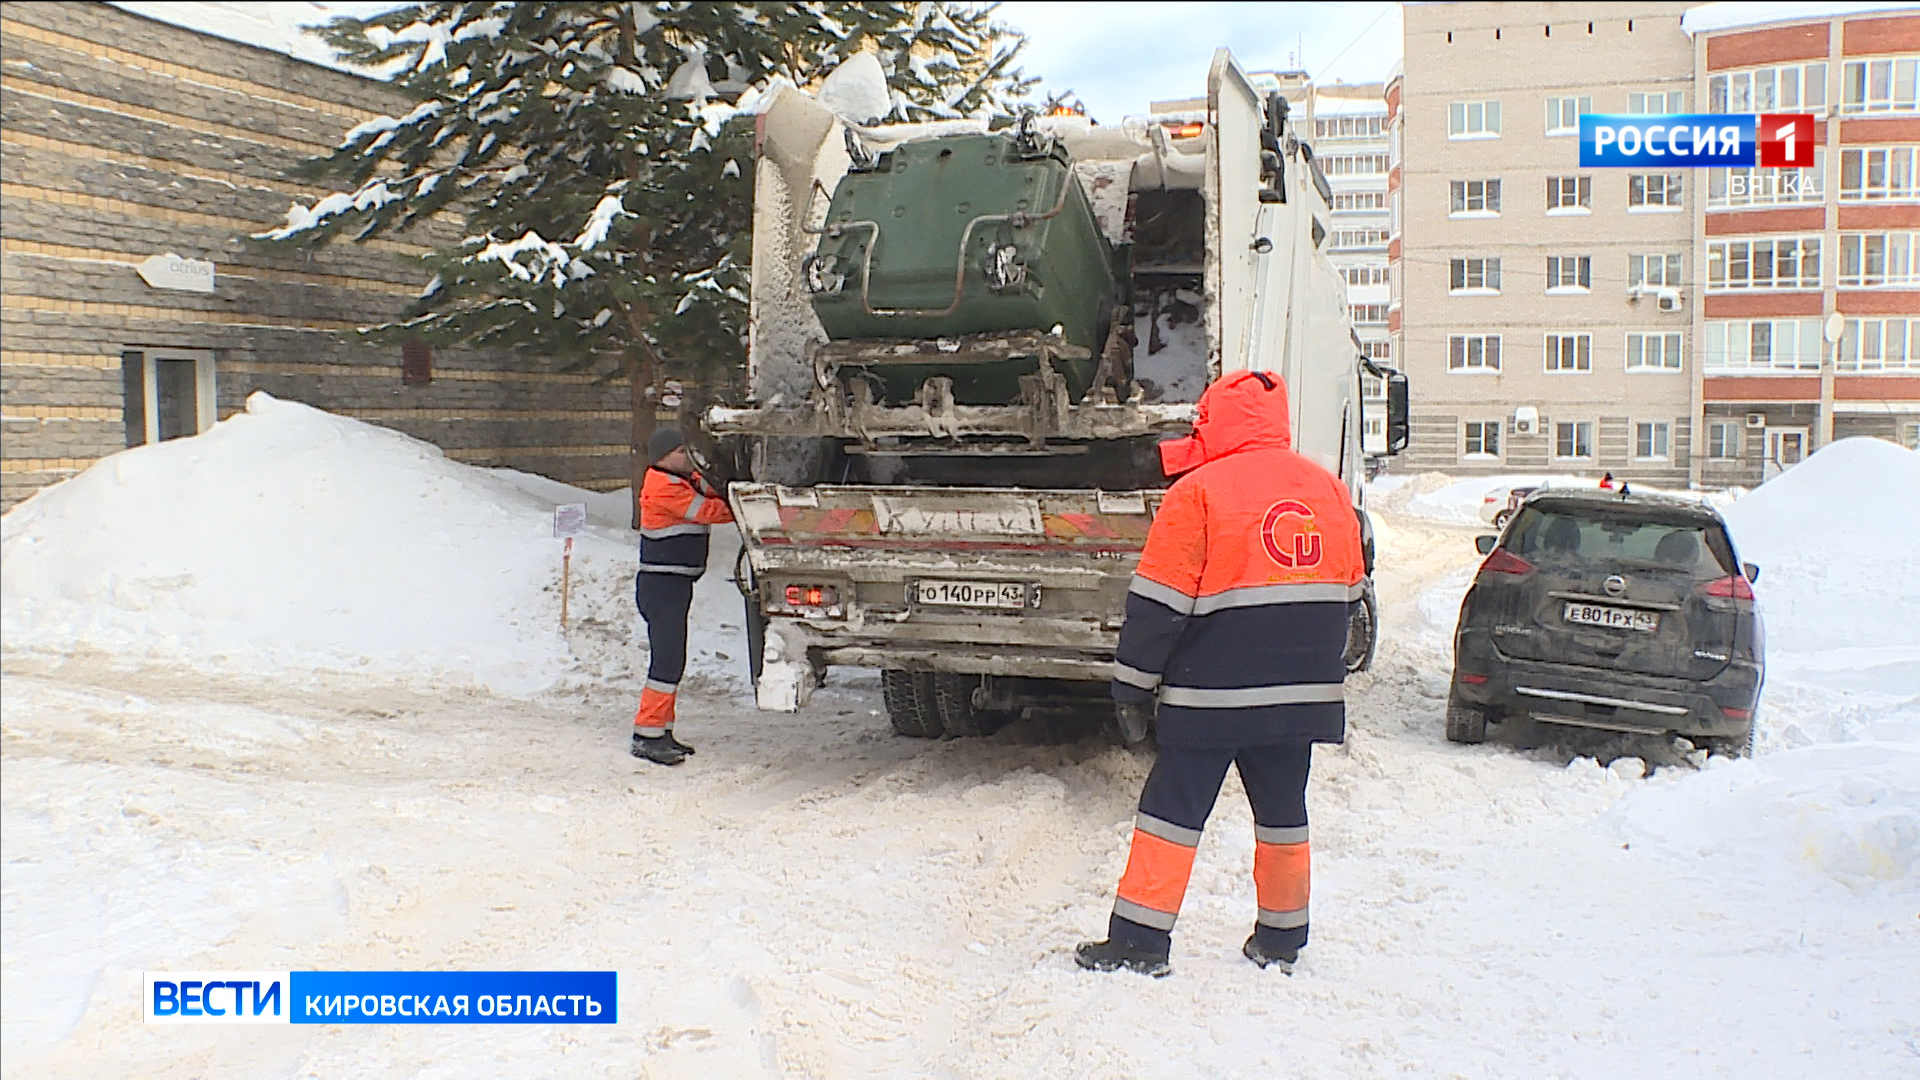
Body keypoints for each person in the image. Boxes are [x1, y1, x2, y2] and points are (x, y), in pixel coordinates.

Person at [1076, 370, 1366, 977]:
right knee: (1284, 815)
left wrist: (1132, 686)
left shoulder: (1199, 493)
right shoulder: (1330, 490)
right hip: (1300, 697)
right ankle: (1282, 940)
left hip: (1212, 695)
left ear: (1214, 421)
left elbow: (1158, 606)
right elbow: (1350, 592)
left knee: (1171, 814)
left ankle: (1139, 942)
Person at [631, 426, 734, 766]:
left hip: (673, 584)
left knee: (672, 658)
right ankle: (647, 736)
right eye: (681, 452)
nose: (689, 457)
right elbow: (712, 511)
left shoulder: (682, 479)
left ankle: (662, 731)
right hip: (662, 586)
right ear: (663, 457)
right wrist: (746, 504)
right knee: (667, 660)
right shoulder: (663, 485)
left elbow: (711, 488)